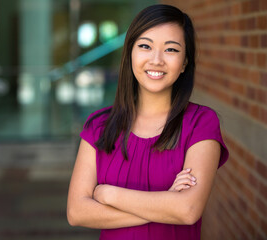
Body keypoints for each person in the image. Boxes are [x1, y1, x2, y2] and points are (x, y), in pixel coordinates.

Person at [67, 4, 229, 240]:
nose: (156, 60)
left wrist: (108, 195)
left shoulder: (201, 123)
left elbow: (188, 210)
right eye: (145, 46)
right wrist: (166, 202)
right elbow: (77, 212)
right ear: (130, 53)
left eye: (171, 50)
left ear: (185, 62)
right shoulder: (99, 126)